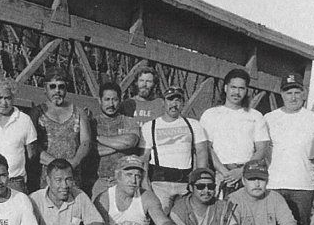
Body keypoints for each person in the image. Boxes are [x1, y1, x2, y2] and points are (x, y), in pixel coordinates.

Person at [264, 73, 314, 225]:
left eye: (297, 92)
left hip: (303, 186)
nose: (293, 97)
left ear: (304, 93)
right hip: (274, 184)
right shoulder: (269, 118)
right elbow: (264, 150)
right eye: (288, 92)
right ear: (281, 94)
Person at [199, 68, 270, 198]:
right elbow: (207, 148)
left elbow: (261, 149)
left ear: (246, 90)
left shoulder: (256, 116)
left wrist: (241, 171)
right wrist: (224, 172)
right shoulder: (210, 114)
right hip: (220, 175)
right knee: (219, 214)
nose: (237, 92)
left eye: (241, 88)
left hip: (247, 174)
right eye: (233, 87)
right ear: (225, 88)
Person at [140, 85, 209, 213]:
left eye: (178, 100)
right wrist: (146, 185)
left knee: (185, 221)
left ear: (182, 103)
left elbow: (202, 152)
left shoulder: (193, 125)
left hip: (185, 184)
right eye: (170, 100)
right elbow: (144, 158)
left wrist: (199, 180)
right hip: (160, 184)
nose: (174, 104)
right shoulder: (150, 126)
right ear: (164, 102)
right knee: (160, 222)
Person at [30, 67, 91, 189]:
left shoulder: (78, 112)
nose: (57, 91)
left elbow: (86, 142)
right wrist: (55, 164)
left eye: (61, 87)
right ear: (45, 89)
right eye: (52, 86)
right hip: (47, 176)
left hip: (72, 175)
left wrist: (74, 162)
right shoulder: (36, 113)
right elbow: (32, 144)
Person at [0, 77, 37, 193]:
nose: (4, 103)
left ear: (13, 98)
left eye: (8, 98)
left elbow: (31, 154)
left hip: (15, 182)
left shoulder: (24, 120)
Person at [86, 82, 140, 196]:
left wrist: (98, 138)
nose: (111, 104)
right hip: (98, 181)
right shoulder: (92, 123)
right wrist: (120, 146)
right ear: (100, 100)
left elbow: (131, 141)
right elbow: (90, 150)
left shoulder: (129, 121)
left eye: (115, 99)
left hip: (123, 181)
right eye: (107, 99)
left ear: (120, 100)